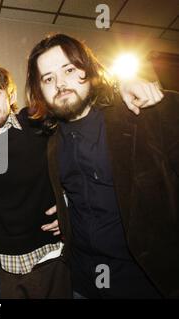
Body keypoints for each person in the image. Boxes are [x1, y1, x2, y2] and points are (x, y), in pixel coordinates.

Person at [0, 62, 164, 298]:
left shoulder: (38, 123)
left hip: (52, 256)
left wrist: (124, 85)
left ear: (10, 95)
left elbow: (80, 106)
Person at [25, 33, 178, 298]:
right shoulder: (51, 140)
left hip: (149, 281)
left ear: (89, 70)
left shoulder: (145, 111)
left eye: (69, 70)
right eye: (48, 79)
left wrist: (124, 81)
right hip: (84, 281)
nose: (60, 84)